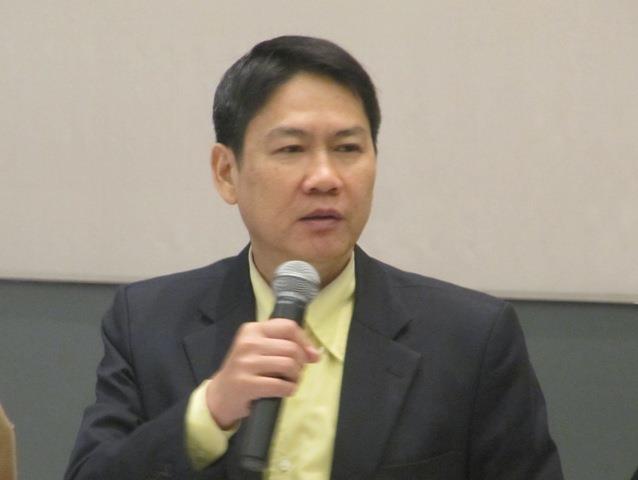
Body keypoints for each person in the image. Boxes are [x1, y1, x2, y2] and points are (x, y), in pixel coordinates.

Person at [65, 35, 564, 479]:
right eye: (291, 150)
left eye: (347, 148)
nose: (325, 178)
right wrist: (209, 413)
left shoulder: (470, 338)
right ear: (226, 172)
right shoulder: (147, 322)